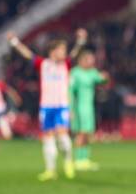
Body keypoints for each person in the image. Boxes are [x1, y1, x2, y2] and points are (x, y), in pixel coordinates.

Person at [7, 29, 87, 181]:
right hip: (46, 106)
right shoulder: (43, 64)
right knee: (48, 137)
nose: (64, 52)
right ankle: (50, 170)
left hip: (62, 106)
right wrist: (14, 42)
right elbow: (27, 54)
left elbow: (76, 53)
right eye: (61, 50)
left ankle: (68, 161)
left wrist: (81, 41)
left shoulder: (66, 64)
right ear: (53, 51)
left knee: (63, 136)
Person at [70, 45, 109, 171]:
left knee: (88, 133)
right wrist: (70, 108)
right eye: (90, 59)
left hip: (89, 106)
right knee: (81, 133)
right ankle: (77, 159)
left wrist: (105, 78)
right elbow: (70, 91)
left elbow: (101, 81)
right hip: (79, 106)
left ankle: (85, 159)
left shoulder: (92, 72)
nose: (92, 62)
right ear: (82, 60)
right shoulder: (75, 73)